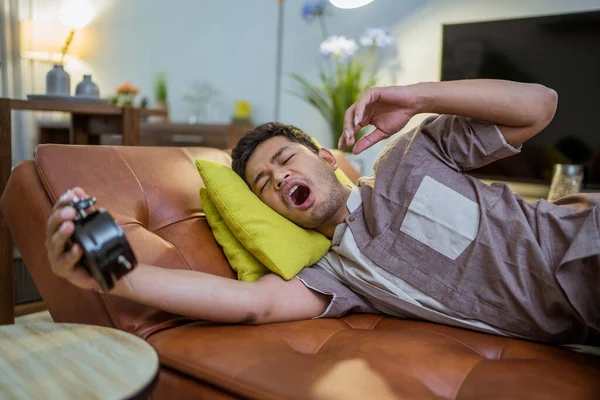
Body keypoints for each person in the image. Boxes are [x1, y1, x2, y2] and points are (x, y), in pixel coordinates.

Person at [46, 79, 600, 344]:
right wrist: (117, 277)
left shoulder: (413, 154)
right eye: (264, 184)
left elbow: (540, 106)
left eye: (286, 160)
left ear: (326, 158)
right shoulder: (338, 273)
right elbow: (251, 304)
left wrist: (415, 99)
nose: (281, 177)